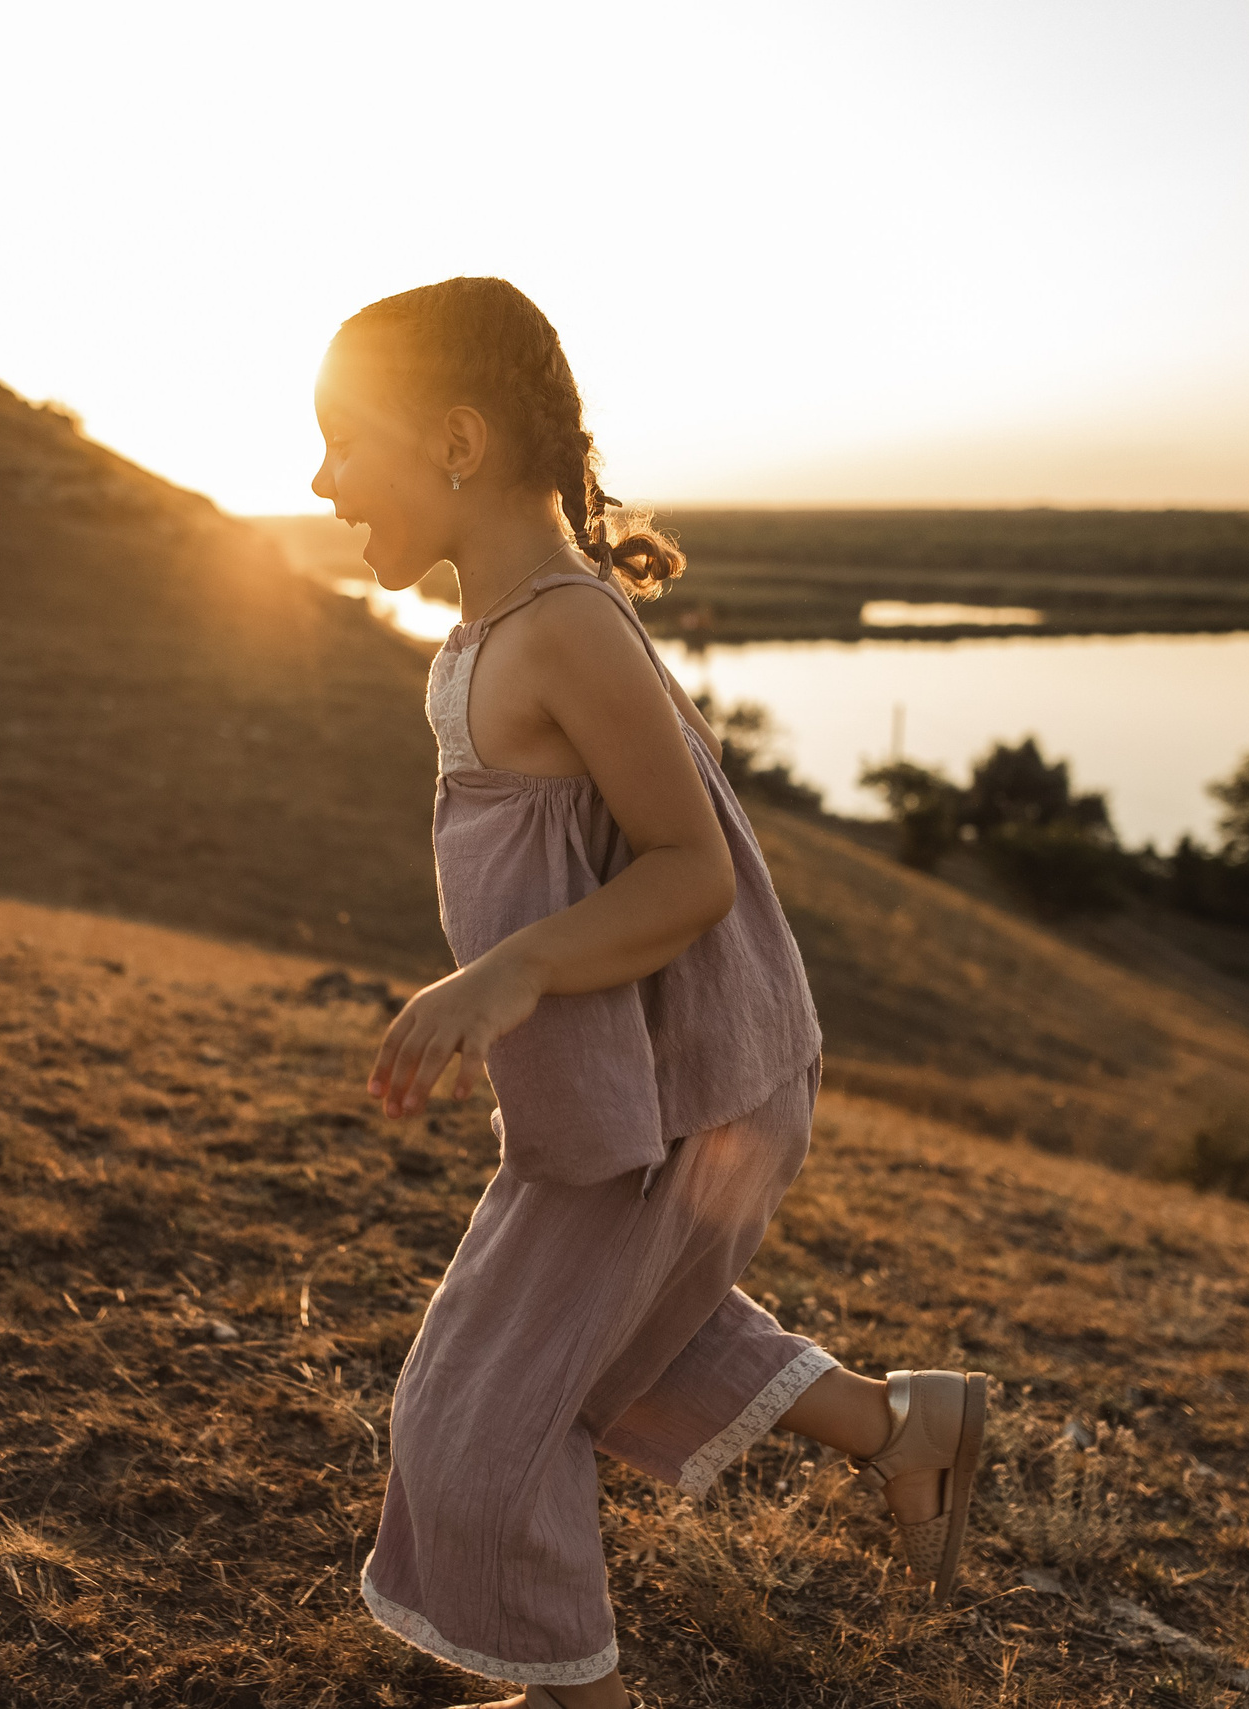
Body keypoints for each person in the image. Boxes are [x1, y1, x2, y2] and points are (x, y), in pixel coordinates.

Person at [311, 277, 990, 1709]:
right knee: (618, 1330)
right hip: (623, 1084)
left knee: (475, 1423)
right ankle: (903, 1428)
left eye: (343, 440)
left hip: (680, 1092)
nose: (321, 480)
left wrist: (507, 973)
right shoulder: (501, 627)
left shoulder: (564, 626)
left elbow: (693, 871)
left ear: (457, 441)